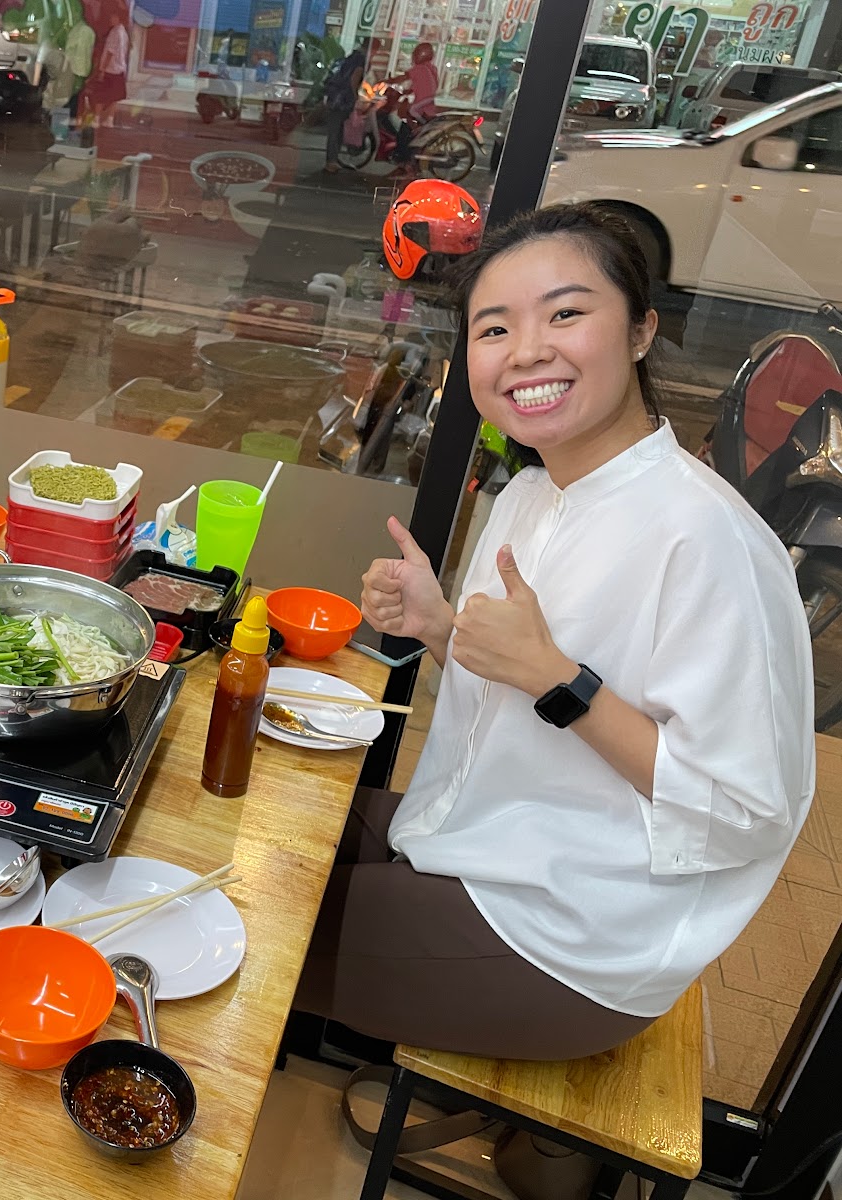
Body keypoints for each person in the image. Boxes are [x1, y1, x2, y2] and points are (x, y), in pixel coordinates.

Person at [295, 203, 815, 1063]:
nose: (528, 350)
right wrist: (440, 629)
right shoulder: (529, 494)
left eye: (566, 314)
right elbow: (513, 690)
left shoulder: (707, 538)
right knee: (270, 823)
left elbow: (745, 813)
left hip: (572, 933)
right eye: (494, 328)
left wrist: (559, 682)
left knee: (244, 923)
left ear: (642, 330)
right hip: (479, 835)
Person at [320, 39, 367, 174]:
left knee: (337, 129)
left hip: (335, 95)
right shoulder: (360, 59)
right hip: (342, 98)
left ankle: (333, 160)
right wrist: (355, 95)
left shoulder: (352, 57)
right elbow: (354, 78)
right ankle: (330, 162)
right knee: (336, 130)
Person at [80, 2, 128, 128]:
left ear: (118, 18)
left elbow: (110, 53)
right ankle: (109, 120)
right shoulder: (123, 32)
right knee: (114, 97)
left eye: (113, 17)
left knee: (100, 95)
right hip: (119, 69)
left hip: (110, 70)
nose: (111, 19)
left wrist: (102, 69)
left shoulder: (115, 32)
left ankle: (97, 119)